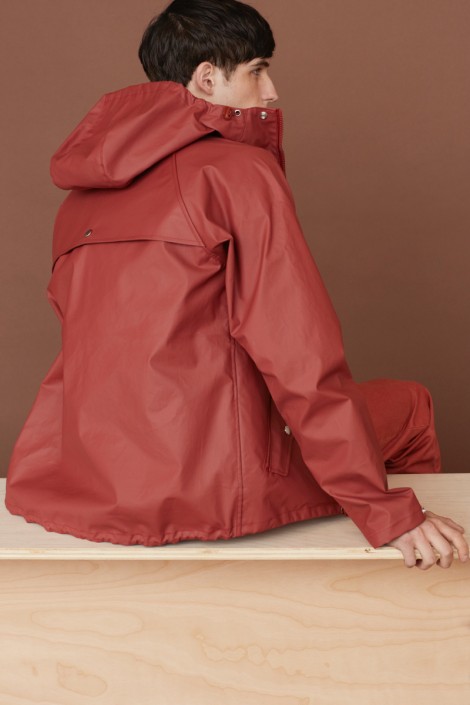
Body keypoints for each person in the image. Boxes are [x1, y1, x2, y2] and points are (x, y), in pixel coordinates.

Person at [5, 0, 468, 570]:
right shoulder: (239, 174)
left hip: (90, 478)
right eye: (257, 69)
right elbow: (299, 355)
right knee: (411, 406)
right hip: (214, 486)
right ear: (207, 78)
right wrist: (385, 511)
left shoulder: (80, 201)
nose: (270, 91)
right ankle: (409, 585)